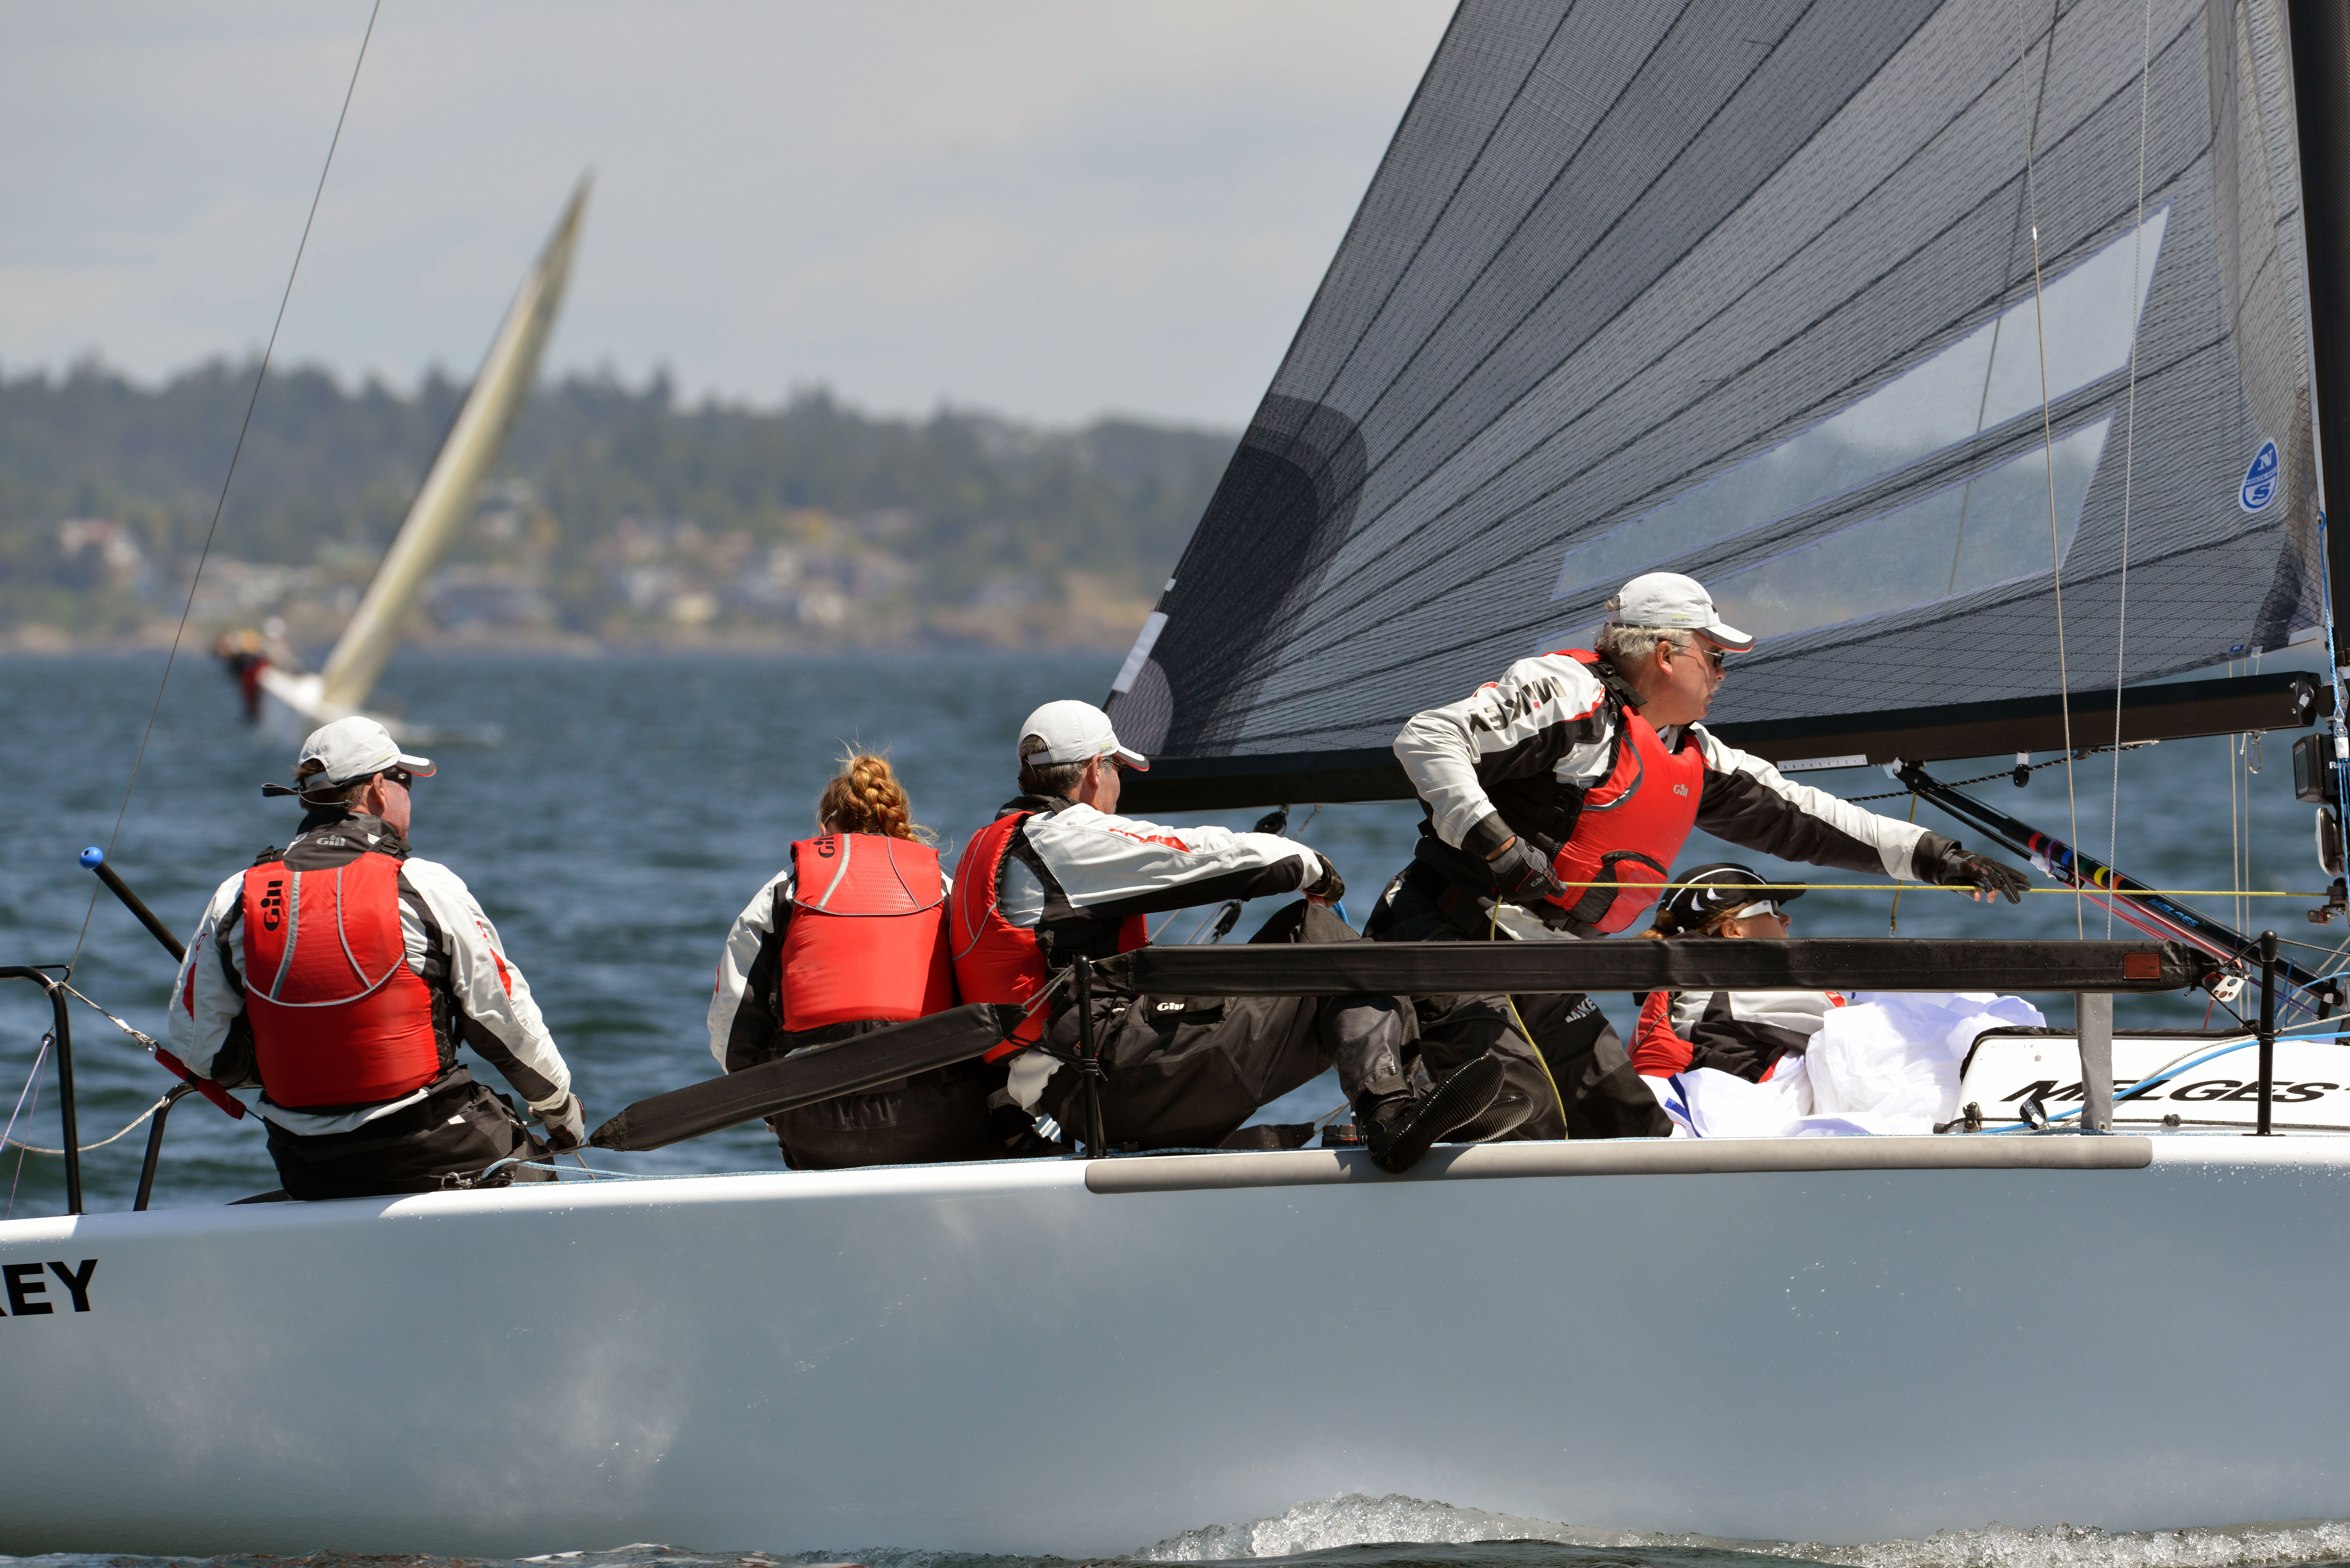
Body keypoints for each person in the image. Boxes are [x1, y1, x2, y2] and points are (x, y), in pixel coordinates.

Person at [1368, 570, 2029, 1140]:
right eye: (1713, 657)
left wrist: (1937, 856)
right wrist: (1499, 844)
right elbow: (1428, 737)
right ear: (1663, 653)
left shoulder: (1690, 751)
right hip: (1455, 933)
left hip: (1543, 962)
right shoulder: (1567, 696)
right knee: (1527, 1117)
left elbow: (1803, 814)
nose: (1721, 674)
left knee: (1636, 1133)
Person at [950, 700, 1516, 1171]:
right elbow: (1196, 856)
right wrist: (1305, 864)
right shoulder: (1065, 837)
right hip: (1113, 1083)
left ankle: (1405, 1104)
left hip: (1072, 1093)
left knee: (1320, 952)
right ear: (1096, 771)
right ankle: (1393, 1114)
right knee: (1314, 932)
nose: (1118, 787)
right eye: (1118, 771)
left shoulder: (986, 847)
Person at [169, 716, 584, 1199]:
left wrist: (311, 1060)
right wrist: (561, 1113)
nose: (409, 794)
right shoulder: (424, 884)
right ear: (378, 791)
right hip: (436, 1147)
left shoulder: (237, 895)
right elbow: (503, 1021)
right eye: (404, 780)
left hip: (306, 1164)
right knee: (549, 1182)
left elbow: (200, 1049)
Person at [708, 754, 1031, 1168]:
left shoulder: (783, 893)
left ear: (827, 829)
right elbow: (992, 1005)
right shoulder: (945, 891)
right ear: (896, 823)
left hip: (814, 1124)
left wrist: (778, 1113)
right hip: (936, 1119)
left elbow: (734, 1030)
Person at [1629, 864, 1843, 1083]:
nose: (1787, 919)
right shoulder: (1733, 991)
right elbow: (1856, 1019)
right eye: (1772, 909)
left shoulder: (1691, 990)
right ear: (1734, 930)